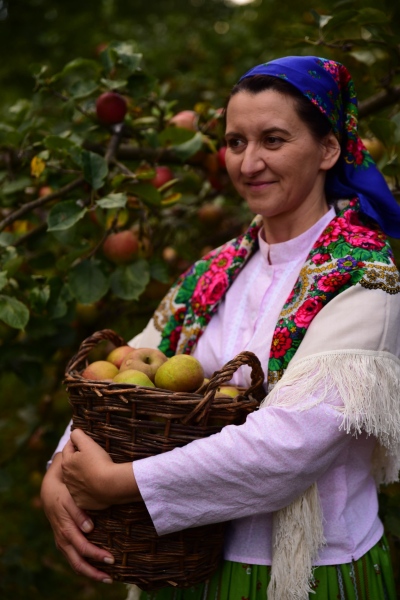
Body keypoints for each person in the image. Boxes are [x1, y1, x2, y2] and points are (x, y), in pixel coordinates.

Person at [41, 56, 400, 600]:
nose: (249, 163)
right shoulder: (215, 271)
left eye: (273, 140)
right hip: (179, 565)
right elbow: (124, 371)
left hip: (301, 574)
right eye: (236, 142)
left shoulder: (363, 276)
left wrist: (118, 483)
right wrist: (60, 468)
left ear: (329, 148)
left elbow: (288, 447)